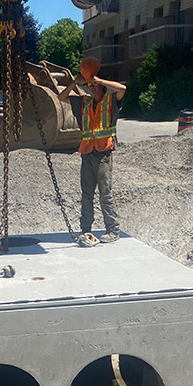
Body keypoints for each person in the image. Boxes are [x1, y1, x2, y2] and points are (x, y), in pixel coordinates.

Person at [59, 57, 126, 245]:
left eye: (95, 85)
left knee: (105, 192)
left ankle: (113, 230)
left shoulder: (111, 101)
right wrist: (74, 82)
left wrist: (100, 80)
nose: (93, 88)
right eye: (90, 85)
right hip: (87, 152)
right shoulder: (84, 103)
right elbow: (61, 98)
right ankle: (86, 230)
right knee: (86, 194)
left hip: (104, 152)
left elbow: (123, 89)